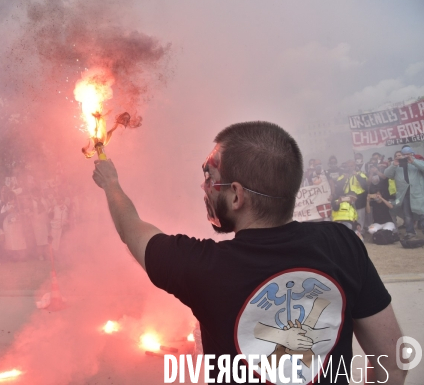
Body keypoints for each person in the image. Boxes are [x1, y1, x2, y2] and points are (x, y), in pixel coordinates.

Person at [91, 121, 406, 384]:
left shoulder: (203, 267)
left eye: (209, 178)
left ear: (237, 195)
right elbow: (392, 363)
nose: (204, 188)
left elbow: (131, 228)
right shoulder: (342, 243)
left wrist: (111, 184)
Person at [384, 146, 424, 240]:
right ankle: (410, 232)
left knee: (422, 212)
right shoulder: (397, 165)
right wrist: (394, 164)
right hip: (403, 194)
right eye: (404, 154)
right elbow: (387, 174)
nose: (405, 156)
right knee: (407, 214)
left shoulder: (417, 162)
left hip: (417, 193)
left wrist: (413, 161)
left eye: (408, 154)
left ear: (412, 154)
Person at [335, 160, 368, 230]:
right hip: (347, 198)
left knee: (360, 215)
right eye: (348, 166)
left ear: (355, 166)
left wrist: (357, 175)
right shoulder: (343, 175)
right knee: (350, 214)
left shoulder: (360, 173)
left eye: (351, 166)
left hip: (359, 197)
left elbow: (365, 184)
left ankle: (360, 231)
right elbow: (338, 185)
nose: (350, 168)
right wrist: (344, 178)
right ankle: (351, 230)